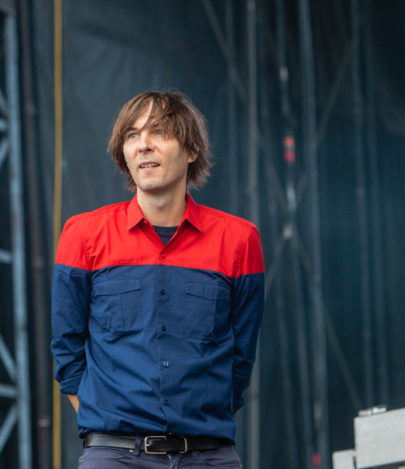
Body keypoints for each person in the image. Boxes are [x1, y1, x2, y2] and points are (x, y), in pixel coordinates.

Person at [51, 90, 264, 468]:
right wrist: (107, 416)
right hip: (115, 455)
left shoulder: (239, 239)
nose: (143, 145)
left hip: (208, 455)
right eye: (132, 135)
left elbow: (241, 357)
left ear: (192, 150)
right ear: (123, 153)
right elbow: (67, 350)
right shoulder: (83, 234)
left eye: (159, 132)